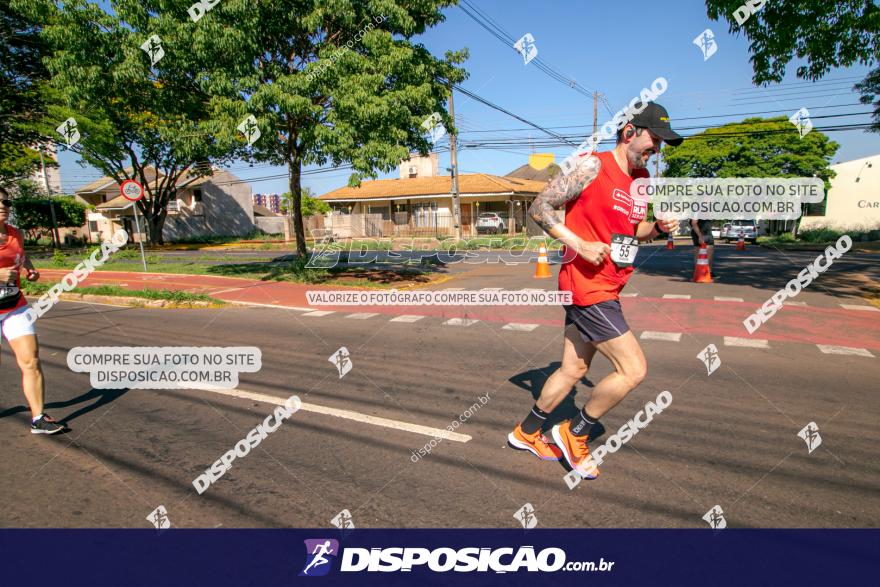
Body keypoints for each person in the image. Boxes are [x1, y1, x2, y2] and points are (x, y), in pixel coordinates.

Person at [507, 103, 682, 478]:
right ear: (630, 131)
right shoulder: (593, 165)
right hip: (587, 283)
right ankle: (575, 433)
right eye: (654, 139)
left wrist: (659, 228)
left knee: (572, 369)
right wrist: (579, 244)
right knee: (634, 369)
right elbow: (539, 208)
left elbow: (631, 231)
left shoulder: (642, 180)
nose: (658, 149)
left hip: (610, 284)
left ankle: (527, 432)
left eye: (662, 144)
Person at [0, 197, 64, 434]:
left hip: (14, 306)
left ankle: (38, 418)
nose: (2, 206)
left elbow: (21, 255)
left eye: (5, 202)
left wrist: (29, 268)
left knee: (31, 361)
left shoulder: (16, 233)